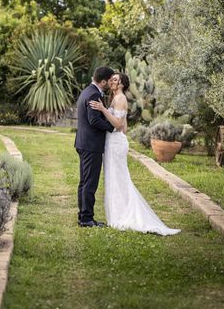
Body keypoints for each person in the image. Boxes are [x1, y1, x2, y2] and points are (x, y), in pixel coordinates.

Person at [89, 73, 180, 235]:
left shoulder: (120, 99)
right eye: (112, 79)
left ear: (122, 84)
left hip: (115, 143)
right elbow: (124, 127)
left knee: (119, 179)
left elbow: (117, 125)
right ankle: (117, 214)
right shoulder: (116, 98)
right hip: (115, 141)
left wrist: (103, 109)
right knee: (114, 178)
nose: (112, 81)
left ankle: (122, 215)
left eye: (116, 80)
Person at [75, 66, 115, 228]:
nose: (111, 84)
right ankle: (86, 219)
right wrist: (112, 127)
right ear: (103, 81)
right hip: (91, 145)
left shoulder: (87, 91)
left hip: (84, 143)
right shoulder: (93, 94)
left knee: (84, 182)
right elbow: (94, 121)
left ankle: (83, 215)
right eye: (110, 81)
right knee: (89, 183)